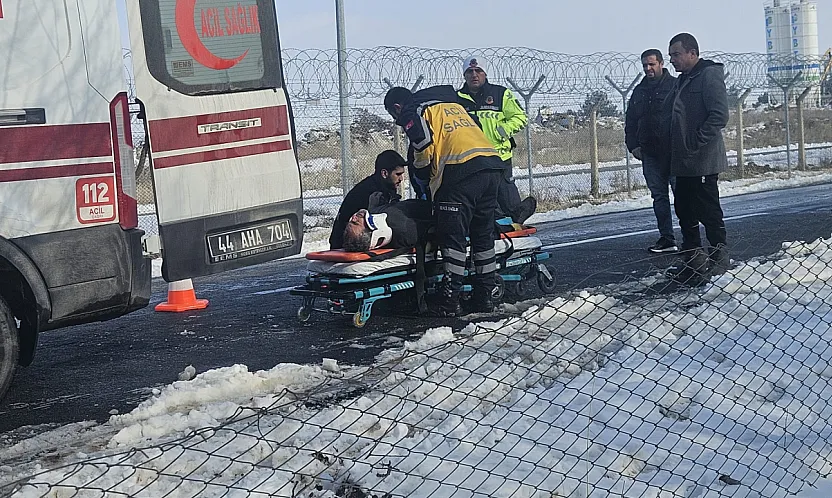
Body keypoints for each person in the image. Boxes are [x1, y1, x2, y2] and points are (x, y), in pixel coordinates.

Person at [384, 84, 504, 316]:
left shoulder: (413, 109)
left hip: (459, 172)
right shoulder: (452, 105)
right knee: (482, 235)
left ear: (397, 107)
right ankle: (484, 297)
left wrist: (422, 172)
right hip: (491, 165)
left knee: (452, 238)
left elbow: (422, 144)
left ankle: (449, 301)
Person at [666, 33, 730, 283]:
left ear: (692, 53)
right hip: (683, 161)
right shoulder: (683, 79)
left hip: (702, 160)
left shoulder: (708, 76)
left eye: (676, 54)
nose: (672, 60)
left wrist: (696, 142)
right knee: (685, 212)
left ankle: (719, 260)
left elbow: (719, 115)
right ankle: (693, 261)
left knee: (708, 210)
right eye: (670, 55)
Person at [458, 55, 537, 224]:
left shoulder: (500, 94)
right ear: (464, 75)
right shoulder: (457, 99)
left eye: (478, 71)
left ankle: (514, 217)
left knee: (508, 198)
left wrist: (501, 131)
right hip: (472, 158)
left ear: (485, 73)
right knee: (484, 199)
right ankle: (494, 223)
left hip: (499, 156)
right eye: (470, 71)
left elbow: (520, 117)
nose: (474, 75)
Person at [625, 49, 678, 253]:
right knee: (659, 198)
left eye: (652, 64)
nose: (648, 68)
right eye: (645, 65)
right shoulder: (639, 91)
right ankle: (667, 238)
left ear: (661, 64)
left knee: (682, 196)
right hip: (650, 154)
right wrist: (633, 146)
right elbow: (631, 121)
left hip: (674, 153)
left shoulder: (675, 86)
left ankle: (691, 240)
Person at [329, 150, 407, 250]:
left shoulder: (382, 186)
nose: (401, 179)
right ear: (384, 173)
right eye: (398, 174)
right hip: (347, 244)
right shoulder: (372, 193)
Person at [341, 200, 433, 252]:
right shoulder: (404, 232)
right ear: (375, 234)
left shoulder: (375, 213)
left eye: (351, 222)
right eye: (356, 223)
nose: (353, 218)